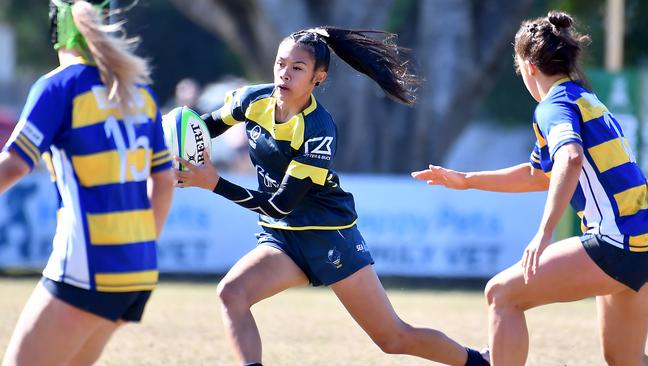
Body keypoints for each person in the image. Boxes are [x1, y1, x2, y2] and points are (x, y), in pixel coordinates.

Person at [175, 26, 489, 366]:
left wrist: (213, 183)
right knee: (232, 293)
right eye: (281, 63)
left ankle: (480, 362)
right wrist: (168, 138)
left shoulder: (318, 130)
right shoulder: (252, 100)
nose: (284, 73)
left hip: (328, 235)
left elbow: (282, 203)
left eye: (297, 68)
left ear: (318, 77)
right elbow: (202, 127)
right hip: (282, 237)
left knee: (393, 337)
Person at [412, 11, 648, 366]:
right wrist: (468, 180)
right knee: (625, 360)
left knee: (501, 295)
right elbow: (540, 174)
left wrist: (544, 233)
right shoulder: (584, 99)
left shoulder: (554, 106)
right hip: (642, 242)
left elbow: (569, 159)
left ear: (528, 66)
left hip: (617, 242)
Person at [0, 1, 174, 365]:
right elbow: (163, 180)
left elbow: (13, 165)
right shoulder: (139, 89)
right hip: (138, 268)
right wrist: (141, 245)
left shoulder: (59, 87)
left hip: (86, 266)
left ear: (57, 28)